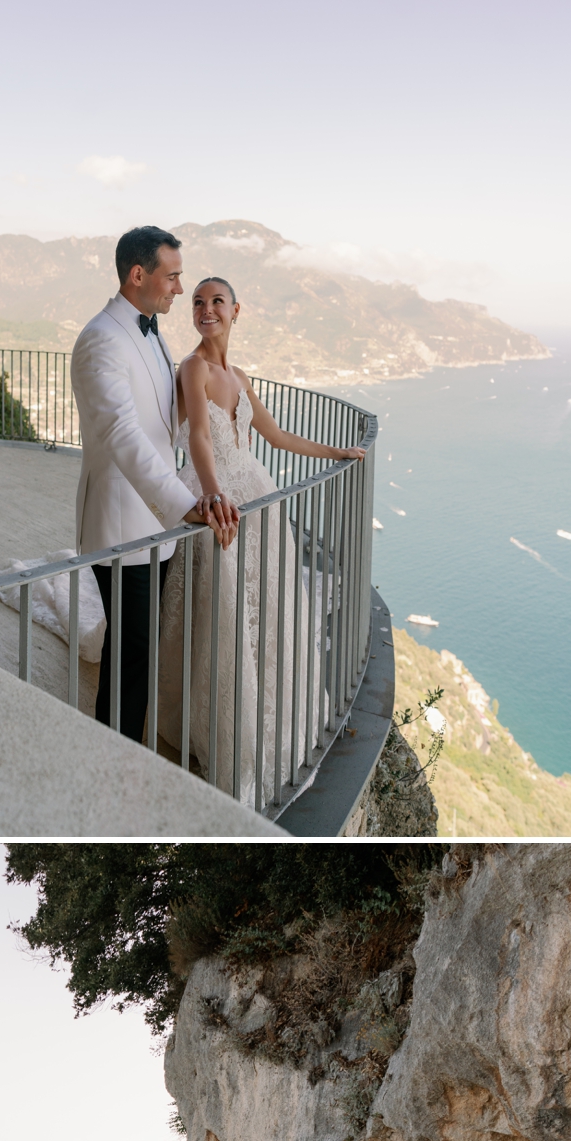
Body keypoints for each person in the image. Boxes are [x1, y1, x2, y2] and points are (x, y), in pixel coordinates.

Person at [157, 275, 365, 805]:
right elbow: (200, 436)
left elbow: (274, 437)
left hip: (258, 495)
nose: (206, 310)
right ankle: (220, 724)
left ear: (235, 311)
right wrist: (212, 495)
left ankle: (266, 703)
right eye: (198, 303)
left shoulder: (240, 375)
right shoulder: (193, 368)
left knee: (264, 607)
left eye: (216, 302)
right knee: (221, 610)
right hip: (219, 498)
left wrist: (335, 453)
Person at [70, 226, 237, 746]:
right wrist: (186, 503)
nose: (180, 290)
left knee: (138, 652)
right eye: (173, 276)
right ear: (138, 275)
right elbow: (122, 434)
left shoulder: (151, 332)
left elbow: (165, 422)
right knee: (131, 658)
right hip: (122, 525)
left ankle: (125, 753)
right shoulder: (101, 339)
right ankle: (112, 760)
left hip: (153, 526)